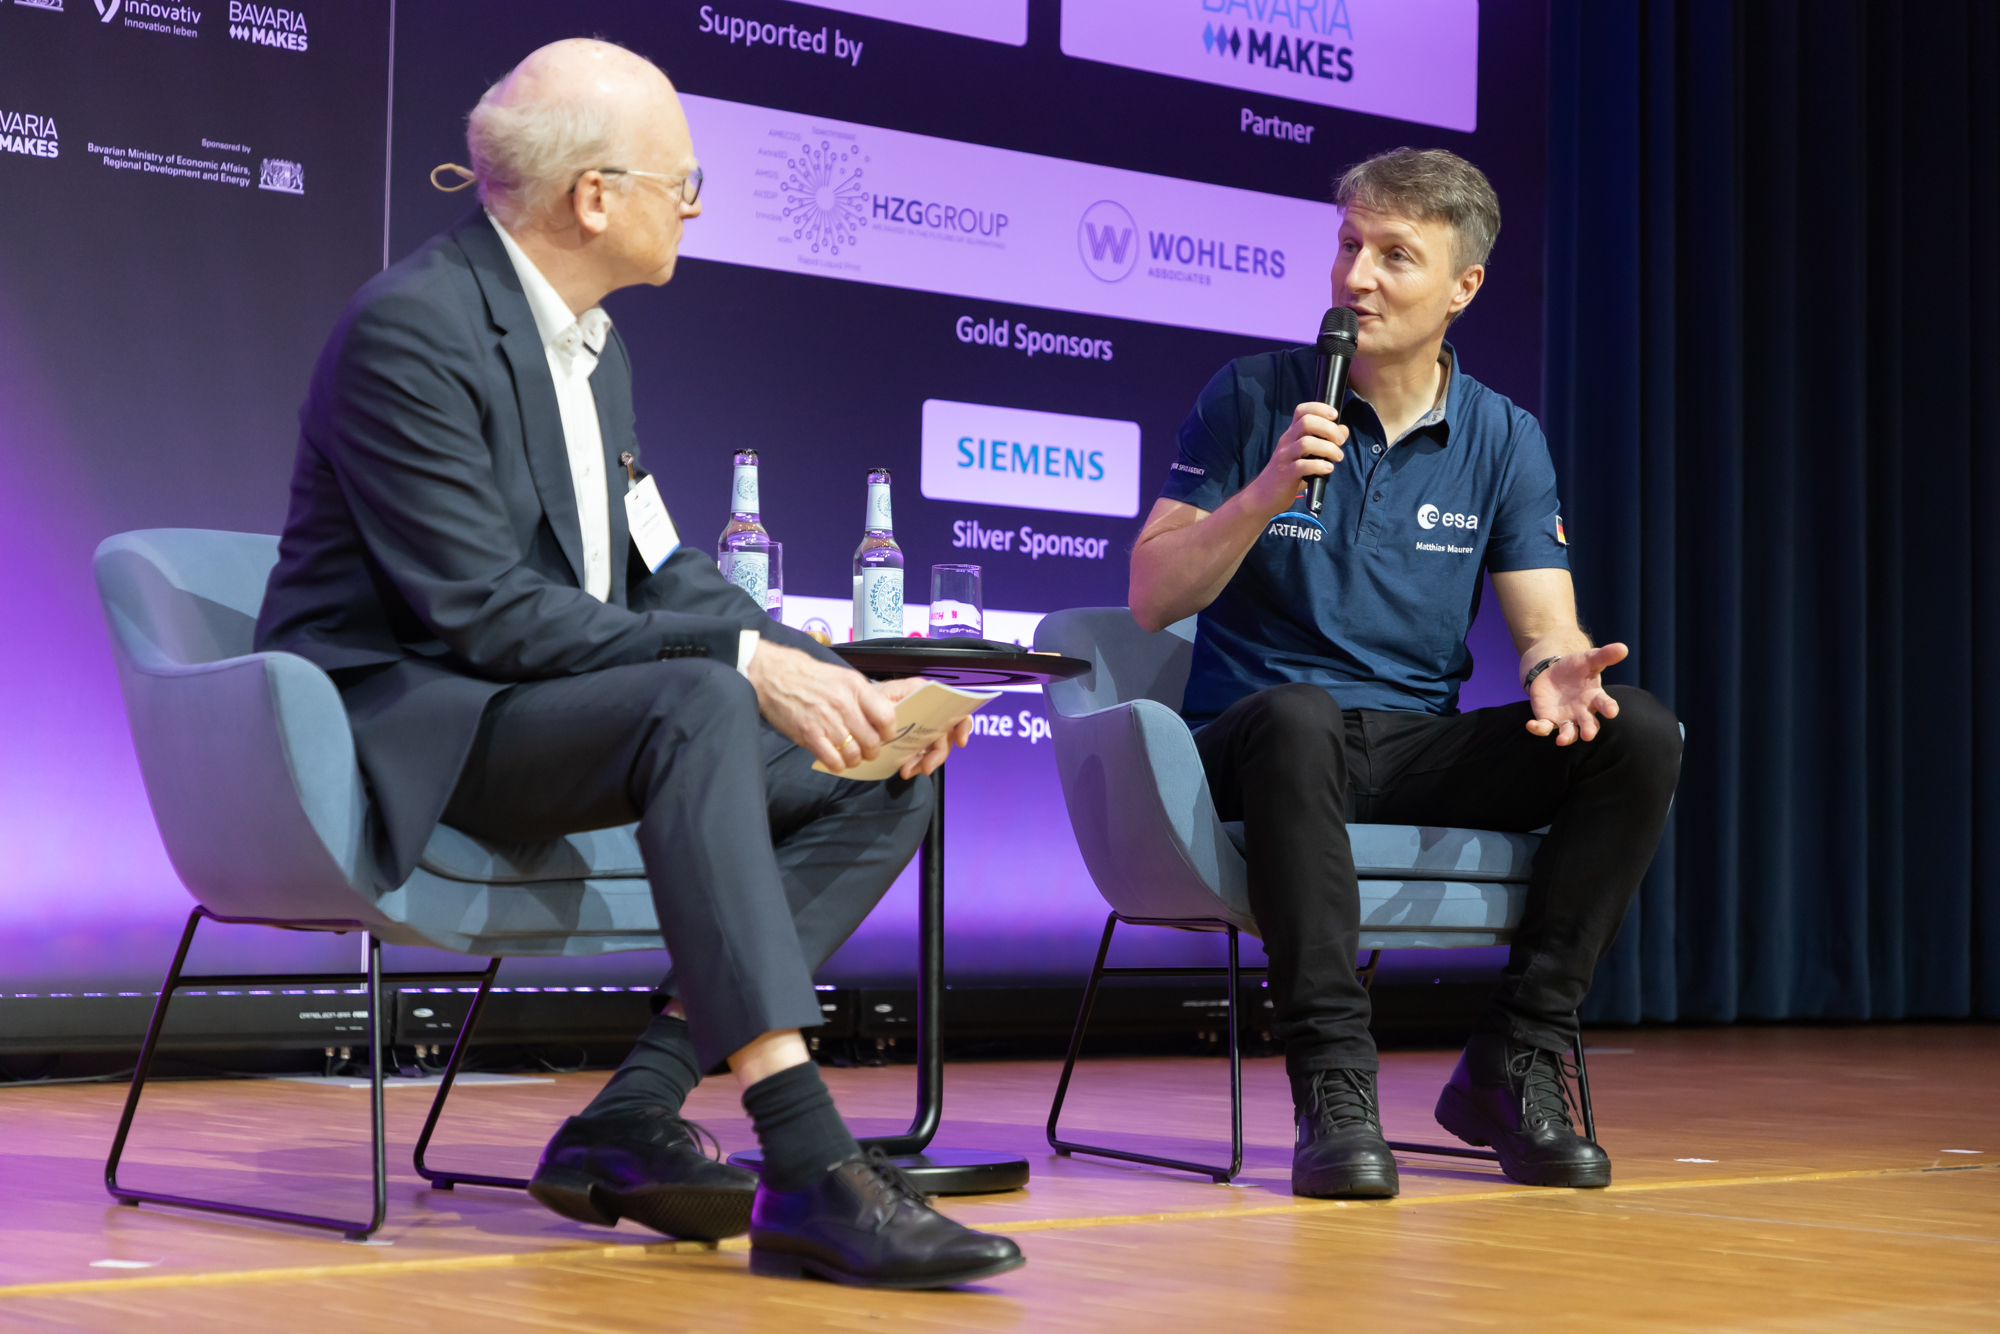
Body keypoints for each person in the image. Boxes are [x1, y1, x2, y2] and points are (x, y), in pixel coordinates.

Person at [253, 38, 1021, 1289]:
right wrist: (739, 661)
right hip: (415, 726)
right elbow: (486, 613)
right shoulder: (412, 329)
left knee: (881, 772)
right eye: (682, 180)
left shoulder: (594, 347)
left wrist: (832, 675)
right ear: (593, 196)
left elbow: (662, 567)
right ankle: (809, 1162)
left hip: (544, 710)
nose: (695, 206)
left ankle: (632, 1108)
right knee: (698, 696)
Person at [1130, 148, 1682, 1200]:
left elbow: (1543, 626)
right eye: (1347, 246)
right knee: (1294, 715)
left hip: (1403, 740)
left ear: (1460, 288)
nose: (1355, 279)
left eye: (1393, 256)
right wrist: (1259, 493)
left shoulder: (1502, 436)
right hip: (1257, 738)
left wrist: (1557, 668)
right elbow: (1154, 593)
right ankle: (1333, 1084)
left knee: (1637, 731)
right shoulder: (1250, 395)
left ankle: (1514, 1055)